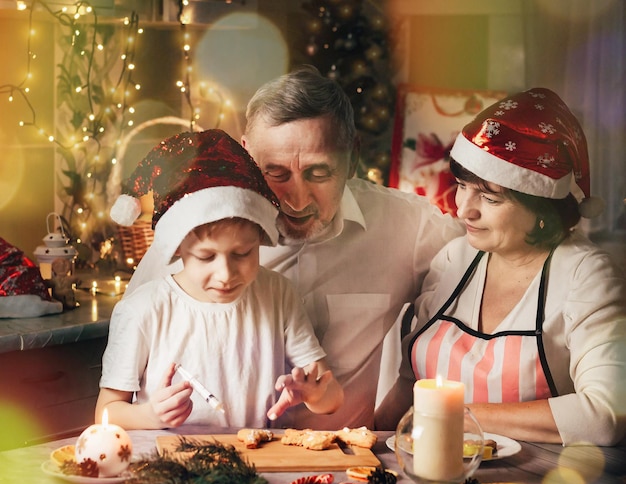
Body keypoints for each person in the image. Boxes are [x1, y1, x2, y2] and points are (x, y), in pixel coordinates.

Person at [125, 66, 463, 429]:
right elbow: (123, 384)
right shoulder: (193, 230)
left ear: (352, 158)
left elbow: (491, 255)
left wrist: (399, 404)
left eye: (319, 174)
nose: (297, 201)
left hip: (342, 470)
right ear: (245, 157)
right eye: (276, 174)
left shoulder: (408, 227)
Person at [375, 88, 626, 446]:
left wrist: (459, 416)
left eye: (489, 198)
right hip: (429, 480)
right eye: (462, 186)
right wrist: (368, 445)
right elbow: (407, 388)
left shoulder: (585, 276)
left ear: (542, 210)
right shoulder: (454, 258)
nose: (464, 209)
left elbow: (605, 415)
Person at [97, 129, 343, 430]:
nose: (226, 274)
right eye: (206, 257)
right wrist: (150, 415)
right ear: (179, 249)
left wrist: (314, 395)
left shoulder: (278, 294)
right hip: (169, 468)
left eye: (242, 254)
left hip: (251, 463)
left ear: (262, 240)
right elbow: (106, 413)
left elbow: (332, 398)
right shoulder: (143, 310)